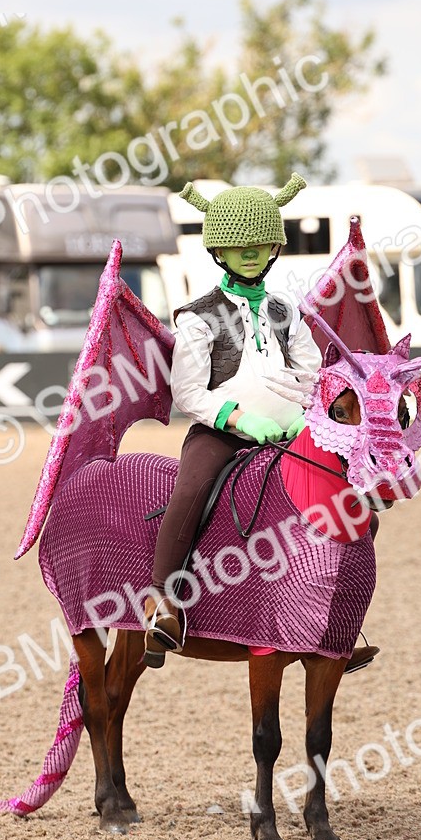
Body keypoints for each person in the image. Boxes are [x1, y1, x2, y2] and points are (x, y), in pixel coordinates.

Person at [143, 176, 323, 667]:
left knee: (347, 491)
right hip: (221, 433)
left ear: (274, 247)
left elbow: (313, 373)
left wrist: (301, 416)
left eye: (260, 243)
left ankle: (337, 616)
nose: (249, 253)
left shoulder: (289, 311)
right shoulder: (197, 317)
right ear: (219, 249)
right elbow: (187, 392)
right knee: (192, 489)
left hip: (292, 435)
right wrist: (239, 417)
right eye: (237, 245)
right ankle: (161, 601)